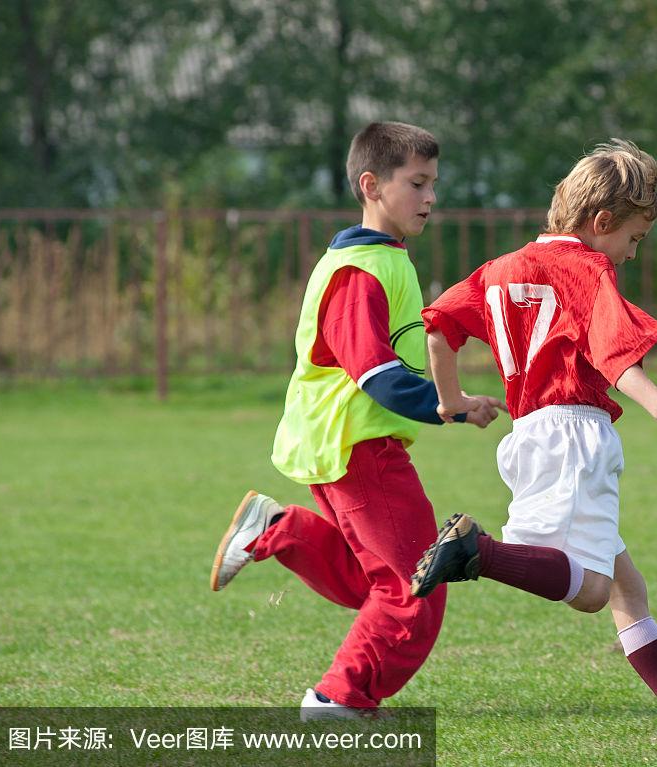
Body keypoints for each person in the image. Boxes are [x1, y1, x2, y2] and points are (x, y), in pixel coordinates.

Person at [411, 140, 657, 740]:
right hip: (575, 433)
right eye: (634, 239)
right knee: (592, 590)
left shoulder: (499, 270)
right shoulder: (587, 269)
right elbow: (613, 354)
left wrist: (452, 401)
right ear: (601, 223)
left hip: (531, 434)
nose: (631, 254)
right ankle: (475, 552)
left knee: (626, 587)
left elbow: (437, 327)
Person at [208, 121, 502, 719]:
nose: (430, 197)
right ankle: (337, 698)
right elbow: (375, 374)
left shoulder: (382, 260)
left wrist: (455, 398)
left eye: (434, 184)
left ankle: (277, 529)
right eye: (417, 183)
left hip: (344, 444)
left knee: (373, 583)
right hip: (358, 448)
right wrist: (443, 406)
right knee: (416, 585)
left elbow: (387, 368)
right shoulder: (360, 271)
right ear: (371, 184)